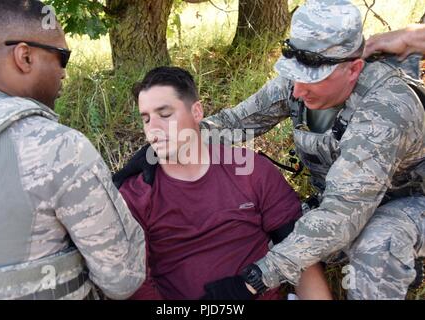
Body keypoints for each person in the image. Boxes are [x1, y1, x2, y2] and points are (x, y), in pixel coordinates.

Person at [118, 0, 425, 300]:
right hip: (342, 198)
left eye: (312, 82)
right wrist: (161, 147)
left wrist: (255, 280)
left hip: (407, 202)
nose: (296, 91)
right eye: (295, 77)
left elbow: (342, 215)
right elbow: (235, 123)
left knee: (378, 243)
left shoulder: (385, 110)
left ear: (353, 69)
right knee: (285, 228)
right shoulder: (298, 82)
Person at [0, 0, 145, 300]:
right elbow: (123, 277)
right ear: (24, 56)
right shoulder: (57, 147)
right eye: (62, 57)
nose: (65, 73)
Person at [115, 66, 332, 300]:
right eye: (146, 119)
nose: (153, 130)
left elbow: (300, 255)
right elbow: (136, 286)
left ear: (197, 112)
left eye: (165, 114)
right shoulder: (136, 195)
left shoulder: (252, 172)